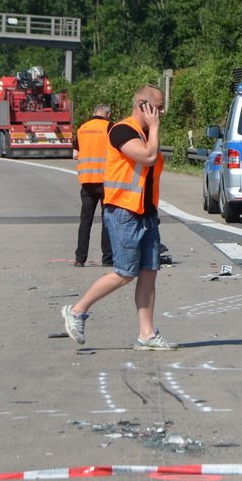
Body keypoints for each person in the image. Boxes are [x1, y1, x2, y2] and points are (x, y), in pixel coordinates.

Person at [62, 84, 178, 351]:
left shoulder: (145, 133)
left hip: (145, 211)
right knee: (125, 273)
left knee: (149, 272)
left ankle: (146, 335)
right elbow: (148, 157)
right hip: (124, 211)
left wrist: (153, 129)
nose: (161, 113)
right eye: (158, 108)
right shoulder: (122, 130)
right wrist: (155, 129)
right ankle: (77, 311)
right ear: (143, 106)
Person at [72, 104, 113, 267]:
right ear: (107, 115)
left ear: (94, 112)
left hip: (87, 181)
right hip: (106, 181)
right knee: (107, 220)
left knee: (85, 220)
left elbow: (75, 154)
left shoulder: (82, 128)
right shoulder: (110, 127)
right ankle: (107, 259)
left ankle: (80, 259)